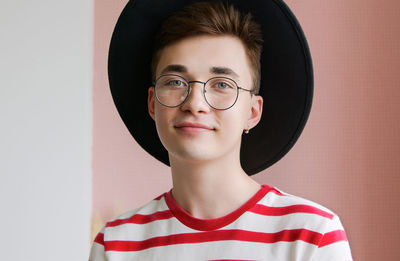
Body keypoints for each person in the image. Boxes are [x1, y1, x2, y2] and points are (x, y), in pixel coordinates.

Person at [90, 1, 353, 260]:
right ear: (152, 102)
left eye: (222, 85)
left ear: (252, 112)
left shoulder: (311, 237)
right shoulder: (116, 244)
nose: (194, 103)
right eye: (175, 82)